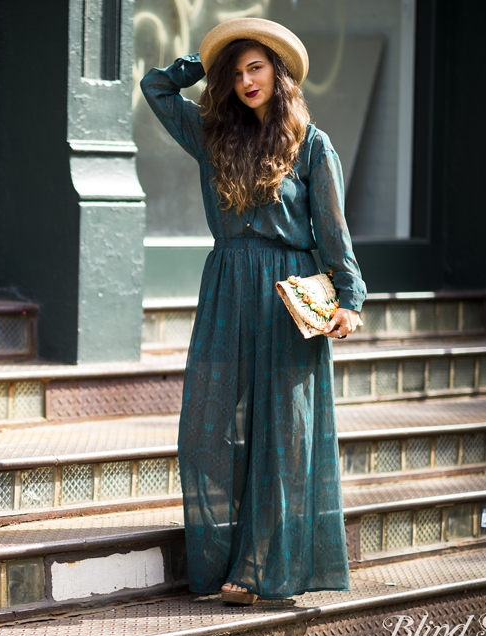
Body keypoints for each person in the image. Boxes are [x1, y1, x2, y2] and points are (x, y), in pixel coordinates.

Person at [140, 18, 366, 604]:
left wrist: (349, 297)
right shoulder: (212, 134)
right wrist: (203, 61)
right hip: (227, 290)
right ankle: (219, 555)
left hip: (289, 296)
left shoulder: (313, 145)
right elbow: (156, 89)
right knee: (204, 428)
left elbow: (333, 231)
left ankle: (258, 567)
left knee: (283, 438)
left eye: (255, 67)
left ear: (278, 73)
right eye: (236, 71)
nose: (245, 80)